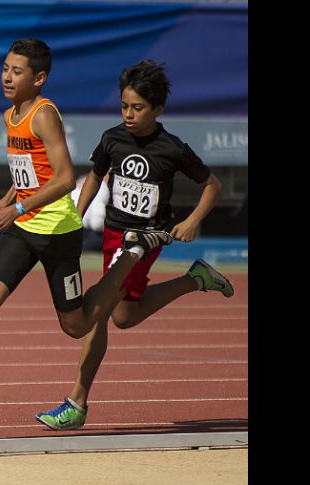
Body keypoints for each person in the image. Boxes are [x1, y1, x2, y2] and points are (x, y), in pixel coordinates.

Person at [0, 40, 173, 435]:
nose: (6, 76)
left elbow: (66, 178)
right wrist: (6, 200)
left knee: (76, 325)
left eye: (16, 71)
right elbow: (27, 174)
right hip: (23, 230)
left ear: (39, 78)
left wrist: (15, 209)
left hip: (57, 232)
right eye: (4, 68)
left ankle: (131, 255)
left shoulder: (43, 114)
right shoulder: (10, 115)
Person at [34, 59, 234, 431]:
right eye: (124, 106)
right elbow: (94, 177)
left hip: (144, 240)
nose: (128, 114)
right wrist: (76, 218)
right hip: (113, 234)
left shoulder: (172, 148)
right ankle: (196, 279)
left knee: (96, 312)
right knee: (123, 317)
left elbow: (213, 185)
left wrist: (191, 222)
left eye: (137, 108)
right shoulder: (112, 138)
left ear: (158, 109)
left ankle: (76, 403)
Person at [71, 174, 109, 251]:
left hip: (67, 226)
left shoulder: (83, 178)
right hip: (83, 232)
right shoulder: (102, 186)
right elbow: (97, 223)